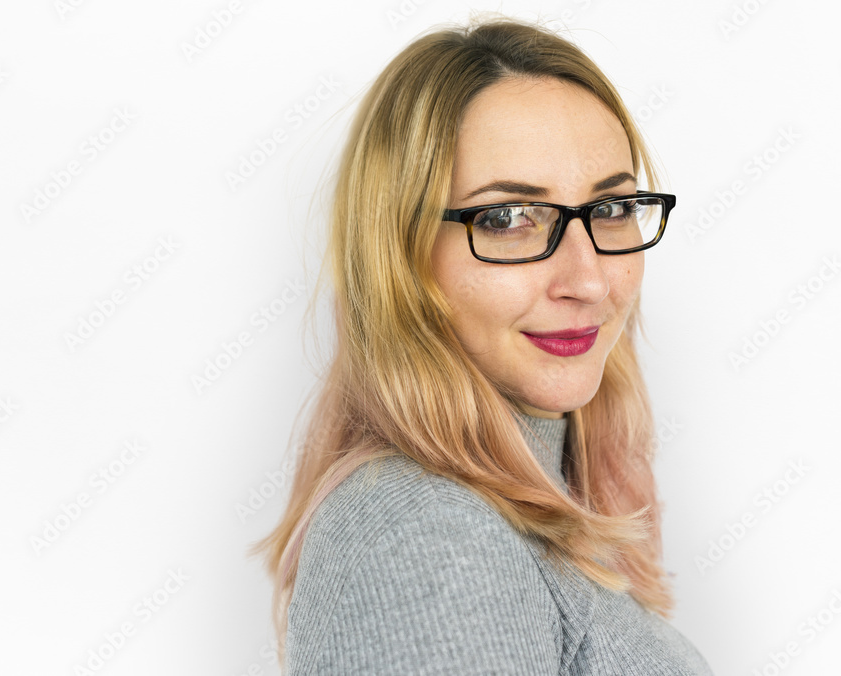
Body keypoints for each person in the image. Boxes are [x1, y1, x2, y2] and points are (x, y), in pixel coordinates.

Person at [250, 14, 714, 675]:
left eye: (610, 209)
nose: (587, 279)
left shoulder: (515, 506)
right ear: (401, 259)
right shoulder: (425, 536)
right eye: (507, 219)